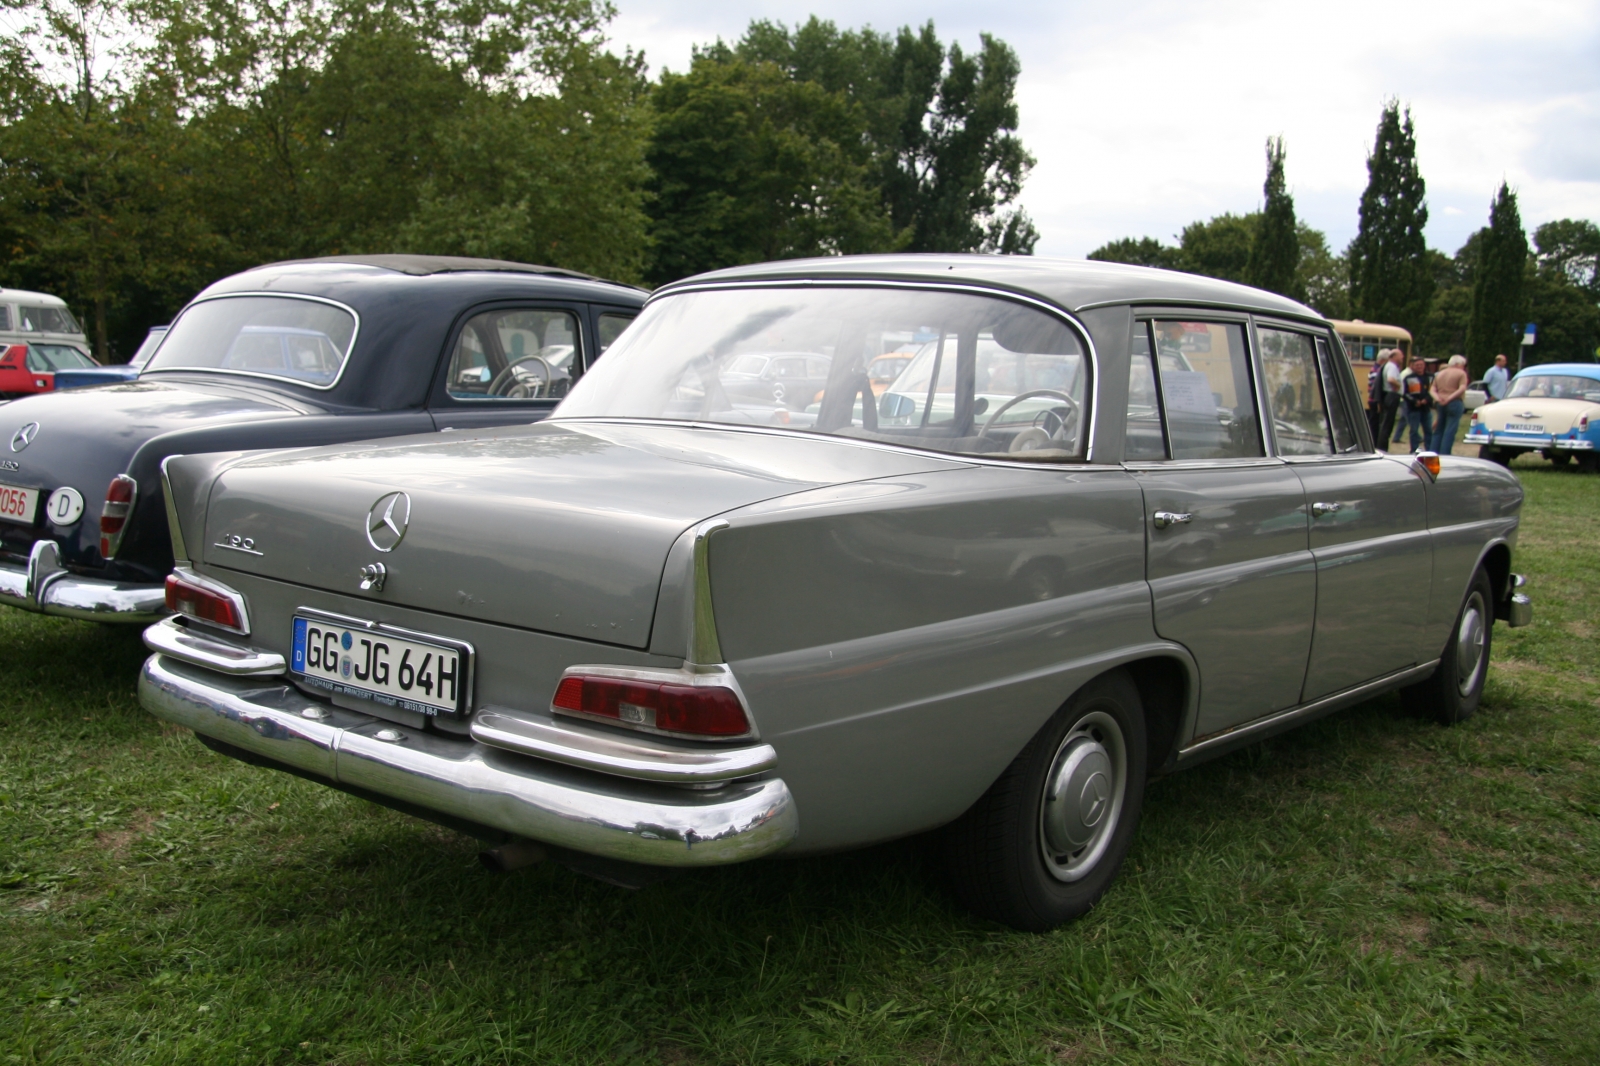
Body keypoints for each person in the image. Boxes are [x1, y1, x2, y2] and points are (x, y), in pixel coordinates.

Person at [1429, 354, 1469, 454]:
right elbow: (1462, 388)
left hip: (1440, 402)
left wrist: (1437, 398)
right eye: (1463, 364)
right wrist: (1450, 398)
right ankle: (1445, 454)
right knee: (1450, 430)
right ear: (1458, 364)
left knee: (1438, 430)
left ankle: (1433, 453)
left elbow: (1432, 389)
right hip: (1454, 402)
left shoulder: (1439, 374)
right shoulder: (1461, 373)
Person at [1374, 349, 1405, 450]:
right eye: (1401, 355)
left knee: (1386, 424)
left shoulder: (1389, 366)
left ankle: (1381, 446)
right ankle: (1382, 448)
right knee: (1387, 425)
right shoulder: (1392, 366)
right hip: (1392, 396)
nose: (1403, 357)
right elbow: (1390, 379)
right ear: (1394, 356)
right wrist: (1398, 385)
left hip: (1389, 396)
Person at [1401, 355, 1433, 452]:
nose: (1419, 367)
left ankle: (1429, 449)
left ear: (1424, 365)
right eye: (1417, 365)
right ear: (1413, 366)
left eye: (1421, 365)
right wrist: (1414, 401)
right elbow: (1404, 393)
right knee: (1414, 430)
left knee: (1428, 430)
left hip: (1426, 408)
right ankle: (1414, 449)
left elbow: (1433, 391)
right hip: (1414, 408)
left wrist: (1426, 400)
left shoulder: (1431, 377)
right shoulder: (1408, 378)